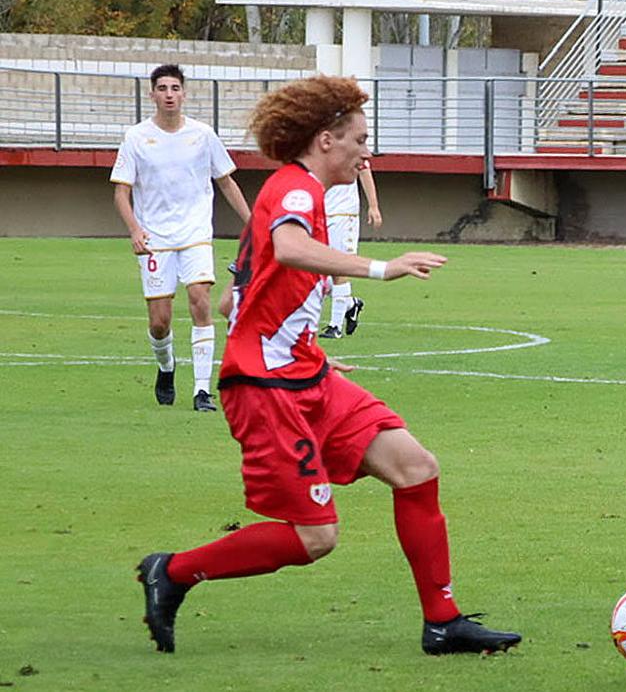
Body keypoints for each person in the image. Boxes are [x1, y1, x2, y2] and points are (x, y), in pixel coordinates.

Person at [135, 75, 521, 656]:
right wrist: (380, 268)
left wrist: (293, 334)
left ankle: (442, 621)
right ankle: (174, 571)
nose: (367, 151)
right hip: (267, 388)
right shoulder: (297, 191)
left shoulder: (298, 191)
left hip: (303, 370)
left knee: (415, 466)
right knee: (316, 538)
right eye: (360, 139)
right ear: (324, 140)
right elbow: (288, 248)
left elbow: (233, 296)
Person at [111, 63, 251, 412]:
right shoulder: (136, 137)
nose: (169, 95)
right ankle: (166, 366)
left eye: (175, 88)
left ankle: (202, 390)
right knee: (160, 322)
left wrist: (253, 222)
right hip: (156, 237)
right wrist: (135, 230)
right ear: (152, 94)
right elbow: (120, 193)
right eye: (163, 88)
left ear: (184, 93)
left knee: (200, 300)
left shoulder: (203, 134)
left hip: (195, 233)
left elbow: (226, 181)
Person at [319, 158, 383, 339]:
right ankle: (349, 305)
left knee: (340, 267)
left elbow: (364, 170)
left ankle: (335, 326)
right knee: (318, 270)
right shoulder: (317, 145)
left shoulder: (351, 146)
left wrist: (373, 206)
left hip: (343, 214)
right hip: (320, 213)